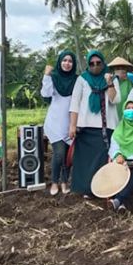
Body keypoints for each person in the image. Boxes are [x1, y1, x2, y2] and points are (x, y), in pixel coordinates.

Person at [69, 50, 120, 197]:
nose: (95, 66)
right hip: (86, 128)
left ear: (103, 63)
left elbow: (115, 100)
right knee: (85, 161)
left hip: (106, 127)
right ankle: (86, 189)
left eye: (98, 63)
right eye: (92, 63)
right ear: (88, 64)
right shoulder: (82, 79)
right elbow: (75, 103)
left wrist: (109, 83)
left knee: (102, 161)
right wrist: (72, 125)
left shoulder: (112, 78)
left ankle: (103, 189)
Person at [41, 50, 77, 196]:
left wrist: (74, 124)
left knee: (69, 155)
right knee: (59, 153)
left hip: (71, 122)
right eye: (64, 60)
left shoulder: (77, 79)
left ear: (73, 64)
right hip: (55, 122)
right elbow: (46, 94)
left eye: (70, 61)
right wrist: (46, 75)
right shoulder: (53, 77)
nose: (67, 64)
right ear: (60, 62)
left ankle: (64, 181)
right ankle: (54, 182)